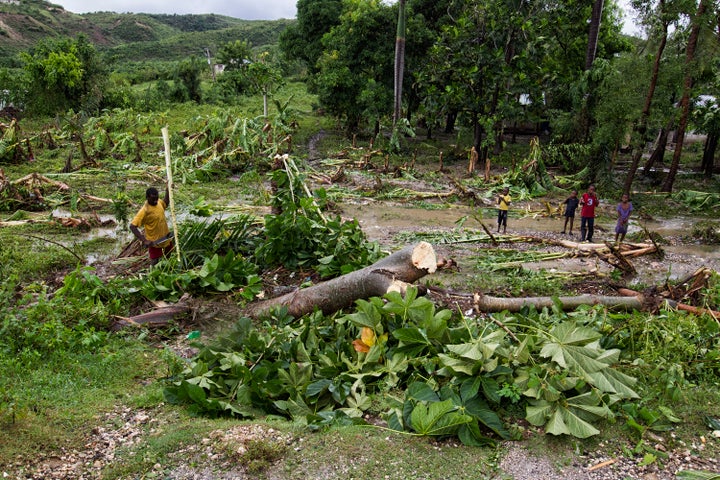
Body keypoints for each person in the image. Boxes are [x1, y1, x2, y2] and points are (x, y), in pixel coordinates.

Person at [130, 186, 173, 265]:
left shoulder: (158, 202)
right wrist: (144, 240)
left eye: (156, 198)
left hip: (165, 237)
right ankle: (153, 275)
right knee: (155, 261)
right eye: (153, 198)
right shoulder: (144, 211)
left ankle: (168, 270)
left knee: (169, 257)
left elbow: (165, 203)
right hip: (154, 242)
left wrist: (167, 190)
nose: (155, 201)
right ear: (147, 197)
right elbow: (132, 226)